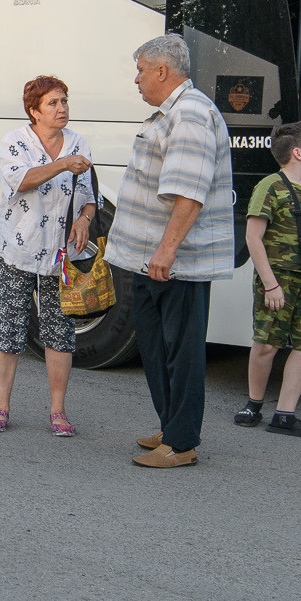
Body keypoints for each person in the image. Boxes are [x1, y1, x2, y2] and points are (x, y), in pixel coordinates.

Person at [106, 34, 234, 468]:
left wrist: (166, 252)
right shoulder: (172, 112)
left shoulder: (191, 113)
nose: (136, 79)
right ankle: (170, 424)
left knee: (181, 352)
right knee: (158, 349)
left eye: (141, 70)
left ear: (163, 71)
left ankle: (181, 444)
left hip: (173, 263)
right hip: (150, 260)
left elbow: (189, 193)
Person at [0, 76, 97, 437]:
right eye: (53, 103)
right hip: (14, 249)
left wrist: (84, 219)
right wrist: (64, 165)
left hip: (59, 254)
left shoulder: (79, 143)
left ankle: (58, 411)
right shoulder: (14, 142)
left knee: (59, 332)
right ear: (34, 111)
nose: (62, 108)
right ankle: (2, 406)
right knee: (10, 331)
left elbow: (90, 195)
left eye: (64, 100)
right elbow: (21, 181)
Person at [238, 120, 301, 438]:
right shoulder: (270, 187)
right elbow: (253, 238)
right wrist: (270, 284)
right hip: (278, 281)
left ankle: (285, 413)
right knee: (266, 344)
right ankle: (254, 403)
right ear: (297, 152)